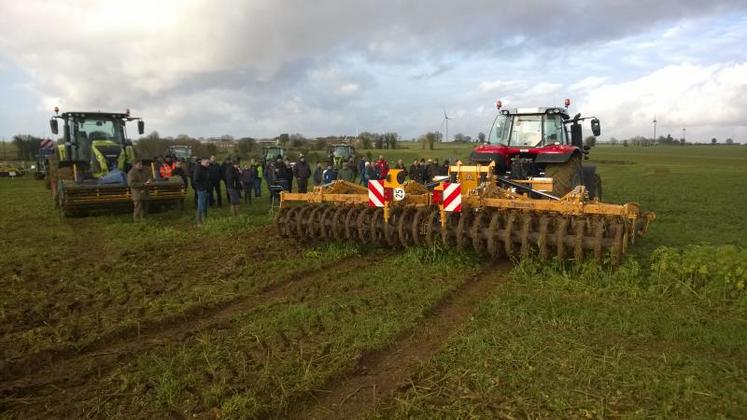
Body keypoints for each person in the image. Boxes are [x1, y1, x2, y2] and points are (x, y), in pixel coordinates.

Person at [193, 157, 211, 224]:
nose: (208, 164)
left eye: (208, 162)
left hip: (207, 190)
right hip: (201, 191)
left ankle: (205, 219)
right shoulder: (198, 169)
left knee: (205, 206)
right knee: (201, 206)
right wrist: (202, 189)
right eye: (207, 162)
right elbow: (195, 180)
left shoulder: (206, 169)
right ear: (202, 162)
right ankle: (199, 221)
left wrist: (209, 189)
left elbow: (207, 180)